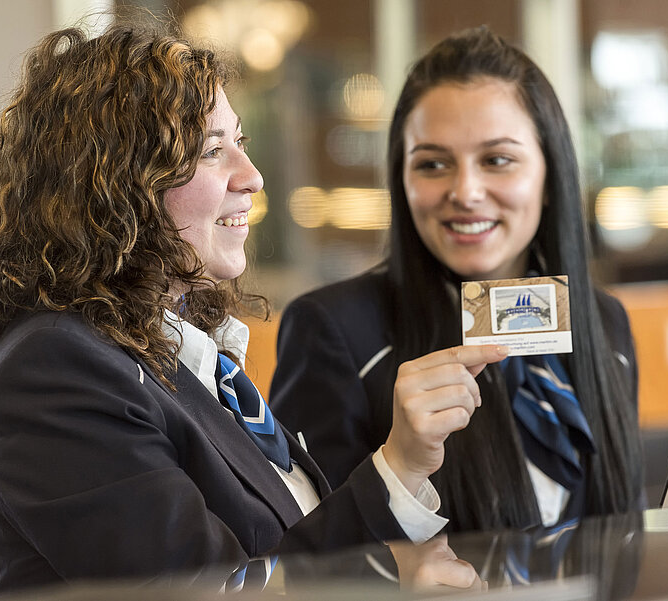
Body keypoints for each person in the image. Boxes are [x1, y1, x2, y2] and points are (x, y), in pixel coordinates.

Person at [0, 20, 504, 597]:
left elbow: (290, 549)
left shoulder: (172, 351)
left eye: (241, 142)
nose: (253, 177)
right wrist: (396, 489)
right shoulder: (54, 370)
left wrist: (404, 471)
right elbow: (215, 590)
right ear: (113, 184)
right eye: (213, 151)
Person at [270, 26, 644, 533]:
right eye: (433, 164)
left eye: (497, 160)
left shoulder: (604, 323)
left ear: (550, 175)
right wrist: (399, 469)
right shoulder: (333, 330)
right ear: (402, 181)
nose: (465, 191)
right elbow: (301, 557)